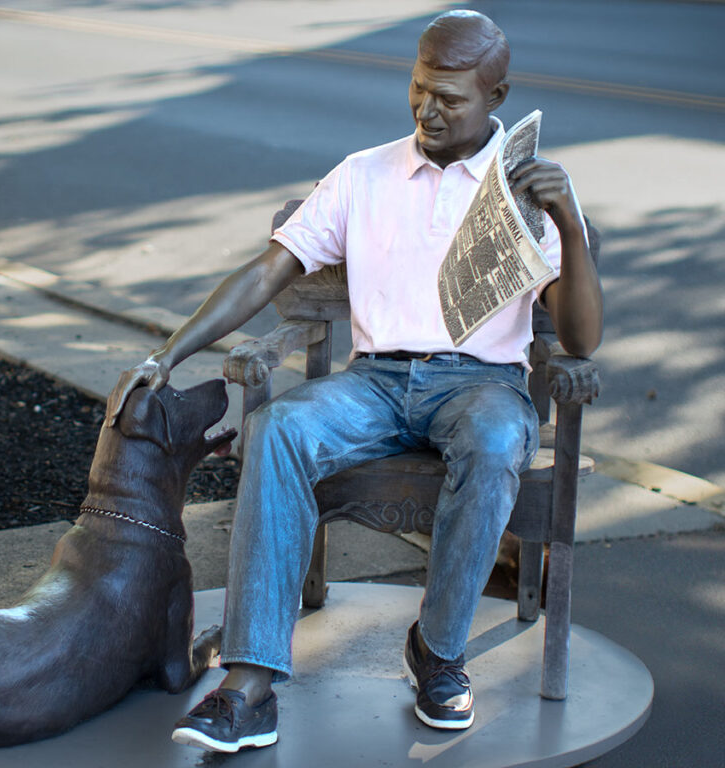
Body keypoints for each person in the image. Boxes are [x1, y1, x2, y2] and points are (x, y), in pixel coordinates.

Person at [106, 9, 603, 753]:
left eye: (450, 98)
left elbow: (582, 338)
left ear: (496, 96)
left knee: (499, 437)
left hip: (481, 387)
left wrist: (565, 221)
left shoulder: (529, 192)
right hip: (375, 383)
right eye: (419, 88)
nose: (427, 110)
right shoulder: (364, 174)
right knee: (278, 428)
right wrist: (169, 353)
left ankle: (438, 651)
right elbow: (268, 272)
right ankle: (249, 684)